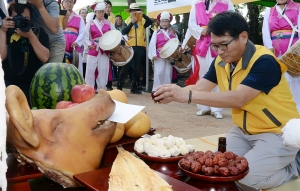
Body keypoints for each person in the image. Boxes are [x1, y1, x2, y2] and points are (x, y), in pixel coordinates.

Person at [154, 11, 300, 189]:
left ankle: (293, 167)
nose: (220, 52)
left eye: (224, 45)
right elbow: (200, 88)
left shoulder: (264, 62)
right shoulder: (221, 62)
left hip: (278, 134)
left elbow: (239, 99)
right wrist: (173, 92)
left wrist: (187, 96)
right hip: (243, 132)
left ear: (243, 37)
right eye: (215, 46)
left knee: (243, 178)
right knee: (215, 169)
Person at [189, 0, 235, 119]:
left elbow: (233, 20)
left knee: (219, 75)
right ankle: (203, 107)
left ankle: (216, 108)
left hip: (219, 44)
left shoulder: (226, 3)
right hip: (202, 44)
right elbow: (191, 23)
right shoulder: (196, 3)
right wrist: (201, 31)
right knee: (202, 75)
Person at [0, 2, 49, 106]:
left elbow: (45, 57)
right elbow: (1, 56)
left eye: (25, 19)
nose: (21, 21)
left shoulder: (39, 32)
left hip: (33, 87)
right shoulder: (5, 32)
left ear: (31, 18)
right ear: (9, 18)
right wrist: (3, 31)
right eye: (16, 18)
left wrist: (31, 36)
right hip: (9, 87)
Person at [262, 0, 300, 113]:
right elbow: (265, 31)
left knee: (295, 79)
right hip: (276, 51)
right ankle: (283, 110)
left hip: (294, 51)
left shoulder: (298, 8)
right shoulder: (269, 11)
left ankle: (297, 110)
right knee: (279, 79)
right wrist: (269, 47)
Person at [117, 3, 152, 94]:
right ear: (130, 12)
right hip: (129, 47)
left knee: (137, 68)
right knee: (126, 66)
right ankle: (119, 86)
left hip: (140, 47)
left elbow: (150, 22)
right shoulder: (126, 21)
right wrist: (132, 23)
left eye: (136, 11)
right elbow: (124, 31)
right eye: (133, 11)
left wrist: (142, 14)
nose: (134, 12)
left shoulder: (142, 22)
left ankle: (134, 87)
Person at [84, 2, 115, 91]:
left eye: (102, 12)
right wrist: (88, 44)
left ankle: (101, 89)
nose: (101, 14)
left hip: (105, 49)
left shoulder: (108, 23)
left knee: (103, 69)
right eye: (99, 12)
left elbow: (115, 33)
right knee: (90, 69)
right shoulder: (90, 23)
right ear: (95, 12)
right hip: (93, 48)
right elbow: (85, 36)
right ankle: (88, 89)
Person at [148, 11, 176, 92]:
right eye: (162, 21)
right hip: (159, 55)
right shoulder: (156, 32)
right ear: (160, 22)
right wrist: (153, 54)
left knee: (168, 73)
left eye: (166, 21)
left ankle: (166, 90)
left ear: (169, 22)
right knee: (159, 73)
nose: (164, 23)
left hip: (170, 56)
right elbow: (152, 44)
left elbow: (176, 43)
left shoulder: (173, 33)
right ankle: (156, 90)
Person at [61, 0, 85, 76]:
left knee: (76, 70)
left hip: (75, 48)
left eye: (71, 2)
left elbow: (83, 32)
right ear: (62, 3)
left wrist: (77, 42)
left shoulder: (79, 18)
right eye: (67, 1)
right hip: (61, 47)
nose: (69, 4)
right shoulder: (59, 16)